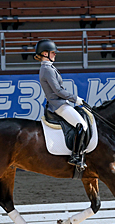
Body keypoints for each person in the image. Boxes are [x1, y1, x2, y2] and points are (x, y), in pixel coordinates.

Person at [34, 39, 88, 170]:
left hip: (60, 103)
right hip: (58, 104)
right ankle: (75, 156)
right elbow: (57, 91)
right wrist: (75, 99)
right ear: (45, 53)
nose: (55, 55)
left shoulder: (48, 68)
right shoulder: (46, 69)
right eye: (52, 52)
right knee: (82, 125)